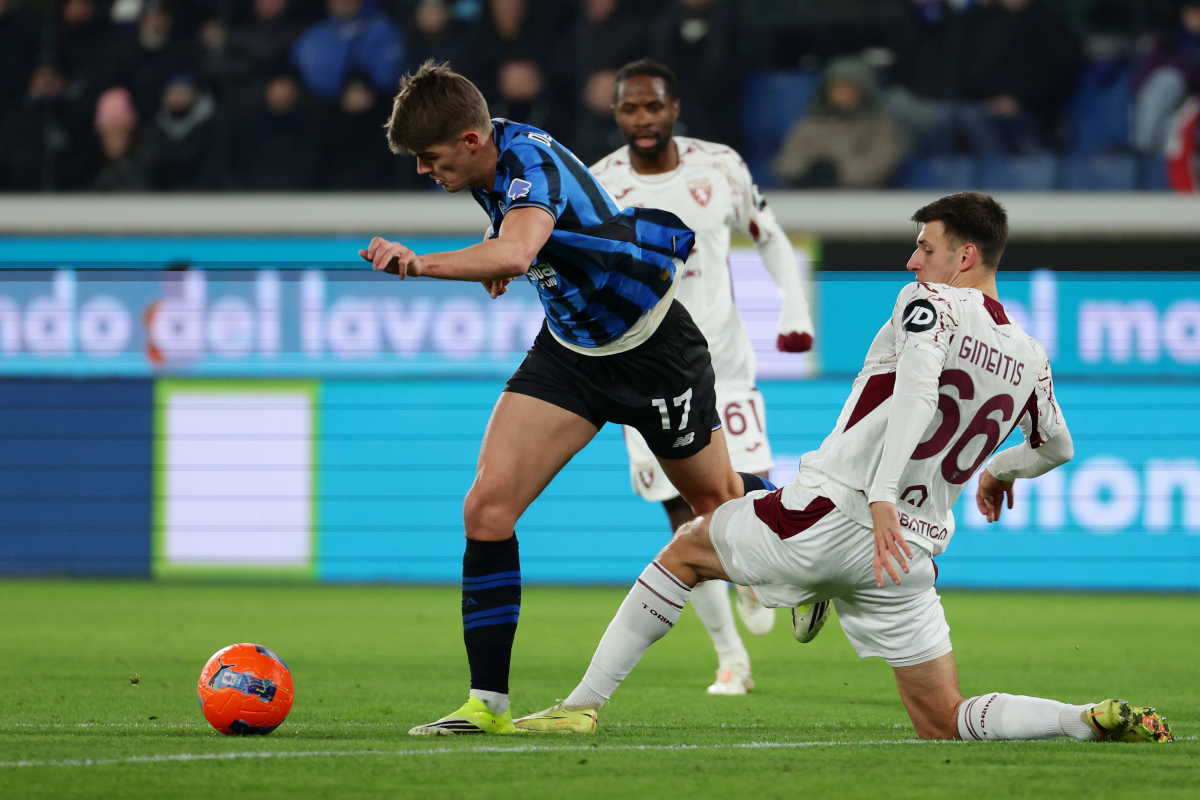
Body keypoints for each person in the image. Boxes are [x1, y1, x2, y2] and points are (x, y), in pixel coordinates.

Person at [515, 192, 1174, 746]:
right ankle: (1080, 721)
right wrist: (1001, 471)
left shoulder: (928, 304)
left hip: (844, 511)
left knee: (687, 550)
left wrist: (882, 494)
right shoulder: (1030, 355)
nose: (912, 260)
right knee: (943, 721)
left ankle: (582, 703)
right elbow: (1058, 449)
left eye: (926, 246)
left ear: (964, 255)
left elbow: (918, 388)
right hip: (907, 554)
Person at [364, 61, 767, 736]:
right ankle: (486, 705)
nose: (423, 172)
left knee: (714, 506)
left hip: (653, 351)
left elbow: (519, 250)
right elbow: (530, 248)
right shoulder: (485, 163)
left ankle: (802, 525)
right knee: (486, 508)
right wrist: (504, 261)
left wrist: (425, 262)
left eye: (430, 160)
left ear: (470, 140)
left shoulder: (530, 162)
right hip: (572, 355)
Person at [591, 58, 815, 696]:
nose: (642, 119)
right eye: (630, 109)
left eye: (653, 107)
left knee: (738, 498)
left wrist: (794, 307)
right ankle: (731, 660)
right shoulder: (603, 184)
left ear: (673, 109)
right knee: (680, 515)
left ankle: (758, 574)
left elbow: (768, 235)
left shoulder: (719, 166)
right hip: (641, 372)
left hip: (724, 368)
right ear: (617, 115)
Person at [773, 56, 903, 189]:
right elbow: (785, 163)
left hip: (862, 199)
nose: (842, 93)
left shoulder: (880, 126)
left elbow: (881, 164)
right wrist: (810, 172)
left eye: (848, 87)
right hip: (808, 195)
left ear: (863, 90)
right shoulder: (810, 124)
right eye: (836, 87)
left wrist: (837, 173)